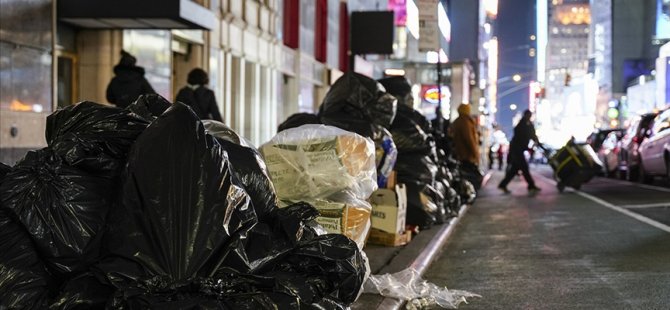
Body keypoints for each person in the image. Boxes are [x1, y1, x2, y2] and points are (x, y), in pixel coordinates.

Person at [498, 110, 542, 194]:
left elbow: (531, 135)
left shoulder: (525, 124)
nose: (529, 117)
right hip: (517, 150)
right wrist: (535, 142)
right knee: (524, 168)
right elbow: (530, 135)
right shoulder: (524, 124)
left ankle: (503, 185)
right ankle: (531, 185)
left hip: (517, 150)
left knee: (514, 170)